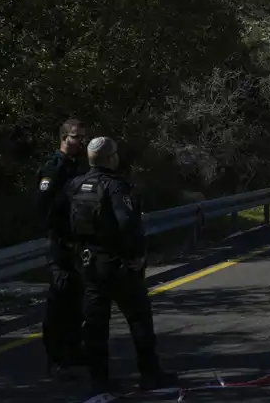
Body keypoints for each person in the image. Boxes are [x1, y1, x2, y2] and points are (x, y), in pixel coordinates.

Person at [67, 136, 177, 395]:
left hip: (88, 263)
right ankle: (150, 375)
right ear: (110, 158)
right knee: (139, 319)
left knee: (95, 325)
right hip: (117, 263)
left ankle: (100, 382)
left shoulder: (74, 185)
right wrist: (136, 255)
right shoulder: (115, 186)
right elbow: (126, 223)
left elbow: (62, 222)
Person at [36, 118, 89, 376]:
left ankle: (73, 351)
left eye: (82, 138)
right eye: (76, 137)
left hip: (77, 244)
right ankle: (55, 358)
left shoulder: (78, 167)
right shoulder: (54, 168)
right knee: (59, 300)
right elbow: (43, 205)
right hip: (59, 243)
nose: (80, 142)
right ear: (64, 138)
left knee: (76, 301)